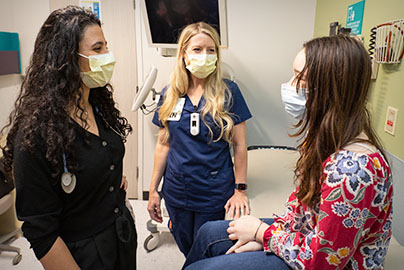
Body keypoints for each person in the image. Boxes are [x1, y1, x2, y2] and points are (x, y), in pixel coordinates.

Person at [183, 35, 393, 270]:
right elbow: (300, 208)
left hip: (324, 262)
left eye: (300, 78)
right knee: (209, 233)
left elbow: (320, 263)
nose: (290, 85)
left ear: (330, 90)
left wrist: (263, 234)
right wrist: (270, 239)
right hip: (305, 236)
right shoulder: (324, 139)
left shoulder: (352, 171)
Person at [1, 6, 137, 270]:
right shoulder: (37, 132)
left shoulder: (99, 104)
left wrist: (108, 177)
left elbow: (99, 157)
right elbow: (41, 231)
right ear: (66, 58)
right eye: (98, 49)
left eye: (106, 47)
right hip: (82, 253)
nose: (108, 56)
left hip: (120, 235)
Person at [147, 22, 252, 257]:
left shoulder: (229, 92)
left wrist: (240, 190)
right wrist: (153, 189)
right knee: (185, 245)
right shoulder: (170, 93)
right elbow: (163, 144)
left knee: (207, 248)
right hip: (176, 189)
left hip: (213, 189)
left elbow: (240, 145)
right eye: (197, 49)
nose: (205, 56)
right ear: (184, 54)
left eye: (211, 50)